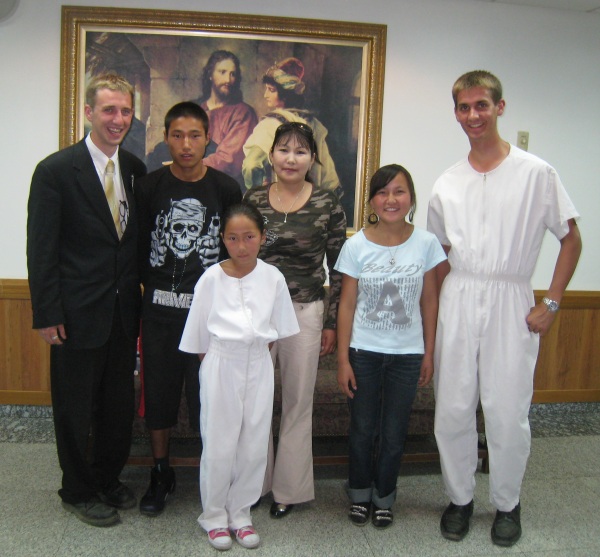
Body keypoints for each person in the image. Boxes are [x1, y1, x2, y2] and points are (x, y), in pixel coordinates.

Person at [427, 70, 582, 547]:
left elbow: (571, 240)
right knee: (452, 408)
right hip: (460, 295)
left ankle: (507, 504)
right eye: (464, 107)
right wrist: (435, 321)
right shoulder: (447, 182)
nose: (473, 115)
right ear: (455, 112)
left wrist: (551, 302)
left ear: (499, 107)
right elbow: (437, 259)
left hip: (511, 298)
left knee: (507, 409)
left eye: (481, 105)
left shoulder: (537, 173)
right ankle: (459, 499)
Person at [26, 73, 147, 527]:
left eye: (125, 111)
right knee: (75, 407)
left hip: (122, 314)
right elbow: (41, 249)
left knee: (116, 405)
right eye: (109, 110)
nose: (118, 119)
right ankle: (76, 489)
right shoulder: (56, 171)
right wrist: (47, 312)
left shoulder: (134, 170)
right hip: (75, 315)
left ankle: (107, 478)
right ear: (88, 112)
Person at [135, 101, 242, 517]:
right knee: (158, 398)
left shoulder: (225, 189)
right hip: (159, 314)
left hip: (211, 319)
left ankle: (210, 476)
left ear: (207, 138)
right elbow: (139, 250)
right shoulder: (148, 188)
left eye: (194, 135)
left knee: (208, 400)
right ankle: (160, 472)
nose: (186, 144)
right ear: (166, 138)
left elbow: (234, 253)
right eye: (177, 135)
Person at [179, 203, 299, 551]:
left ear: (262, 237)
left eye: (249, 237)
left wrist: (254, 355)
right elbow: (200, 339)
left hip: (259, 364)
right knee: (219, 442)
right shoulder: (210, 279)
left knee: (253, 441)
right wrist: (220, 366)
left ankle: (241, 513)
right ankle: (214, 516)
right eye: (233, 238)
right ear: (223, 239)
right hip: (221, 363)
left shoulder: (272, 277)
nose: (241, 245)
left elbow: (276, 330)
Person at [243, 121, 346, 518]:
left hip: (305, 312)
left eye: (301, 151)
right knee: (255, 401)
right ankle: (255, 484)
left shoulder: (326, 203)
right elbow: (237, 256)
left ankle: (288, 490)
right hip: (257, 314)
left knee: (298, 402)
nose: (291, 158)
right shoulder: (252, 199)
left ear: (312, 159)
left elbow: (339, 270)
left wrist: (333, 322)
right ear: (271, 156)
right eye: (284, 149)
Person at [336, 164, 446, 528]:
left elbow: (430, 301)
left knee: (395, 432)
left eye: (398, 191)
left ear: (411, 198)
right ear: (372, 200)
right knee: (363, 429)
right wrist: (342, 361)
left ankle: (385, 496)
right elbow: (347, 305)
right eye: (382, 192)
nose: (390, 199)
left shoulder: (427, 243)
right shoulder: (356, 245)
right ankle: (359, 493)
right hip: (363, 353)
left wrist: (428, 353)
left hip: (407, 355)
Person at [242, 57, 342, 196]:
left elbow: (251, 165)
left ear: (285, 94)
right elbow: (329, 180)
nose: (265, 95)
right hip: (311, 206)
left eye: (271, 90)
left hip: (278, 203)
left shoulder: (269, 125)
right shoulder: (314, 124)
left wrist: (256, 193)